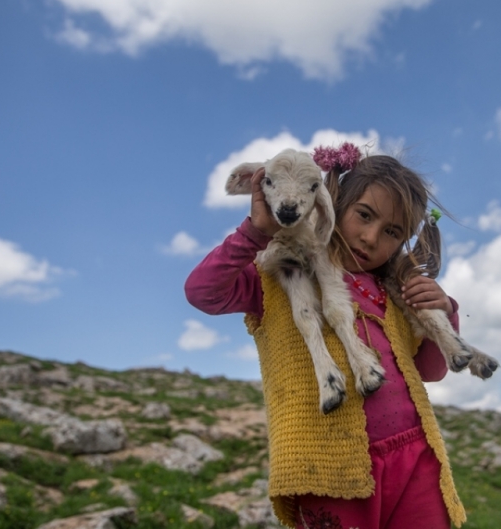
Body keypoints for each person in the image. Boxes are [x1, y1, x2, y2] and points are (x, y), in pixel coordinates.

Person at [185, 144, 467, 529]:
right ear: (332, 204)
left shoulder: (390, 292)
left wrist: (444, 314)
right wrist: (257, 232)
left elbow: (430, 371)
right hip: (327, 465)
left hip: (415, 456)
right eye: (363, 215)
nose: (369, 237)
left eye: (391, 232)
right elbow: (203, 292)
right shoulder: (274, 274)